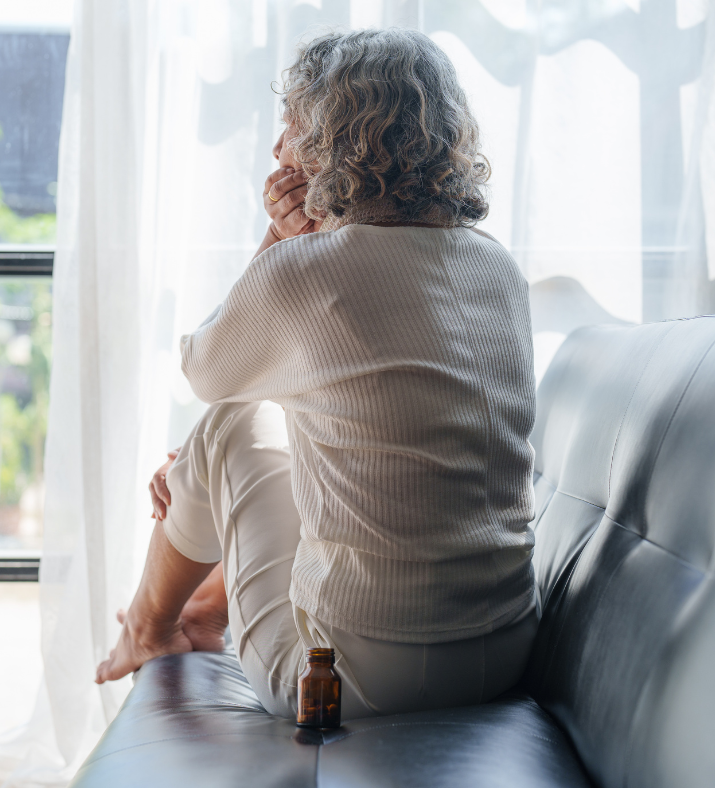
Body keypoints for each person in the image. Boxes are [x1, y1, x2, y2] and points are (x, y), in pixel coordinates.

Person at [96, 27, 539, 720]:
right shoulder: (497, 266)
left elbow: (206, 370)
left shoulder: (307, 272)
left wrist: (278, 242)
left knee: (227, 423)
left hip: (350, 678)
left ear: (340, 141)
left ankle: (149, 629)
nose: (278, 149)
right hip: (505, 649)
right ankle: (202, 612)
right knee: (262, 428)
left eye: (294, 125)